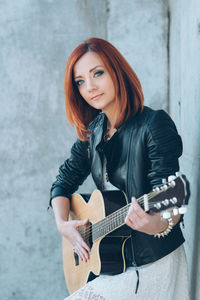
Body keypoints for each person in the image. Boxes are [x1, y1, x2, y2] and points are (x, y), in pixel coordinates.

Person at [49, 37, 189, 300]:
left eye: (97, 73)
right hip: (115, 264)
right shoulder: (93, 133)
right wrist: (62, 224)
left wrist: (151, 224)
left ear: (116, 70)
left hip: (152, 261)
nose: (89, 87)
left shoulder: (153, 125)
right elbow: (63, 183)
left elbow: (172, 201)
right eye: (80, 82)